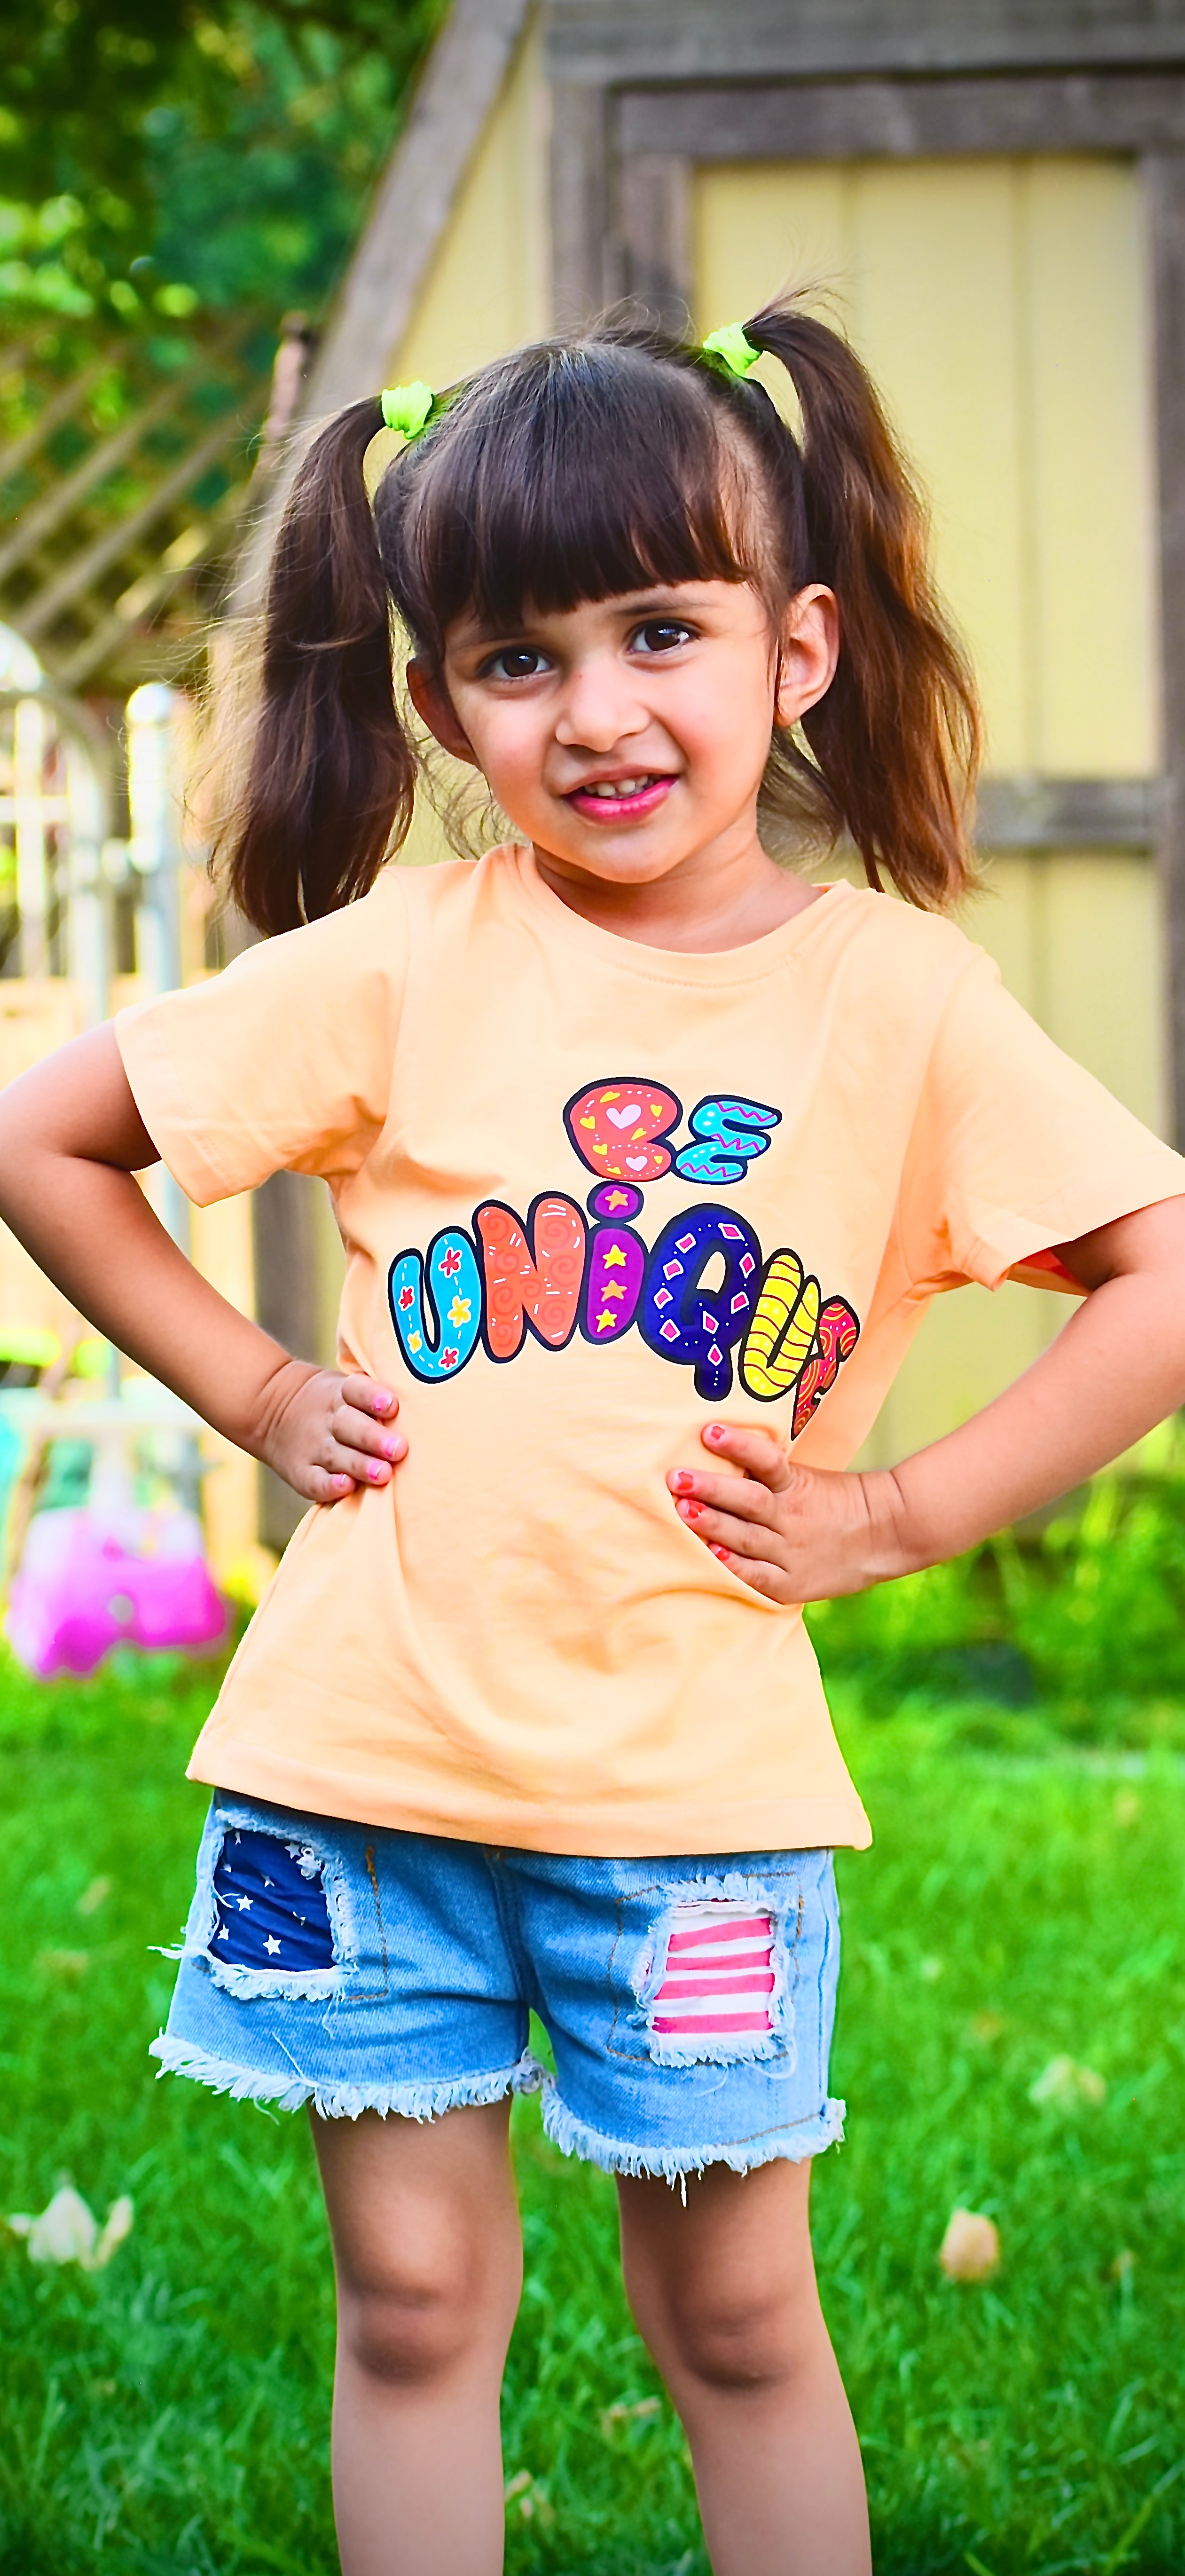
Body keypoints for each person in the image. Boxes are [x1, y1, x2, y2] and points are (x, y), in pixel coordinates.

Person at [2, 299, 1184, 2576]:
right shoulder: (402, 958)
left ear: (798, 647)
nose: (601, 709)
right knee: (416, 2296)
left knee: (737, 2314)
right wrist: (253, 1388)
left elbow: (1156, 1272)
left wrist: (898, 1510)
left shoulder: (893, 998)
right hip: (369, 1770)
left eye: (663, 628)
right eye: (520, 659)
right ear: (442, 699)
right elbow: (52, 1139)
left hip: (689, 1797)